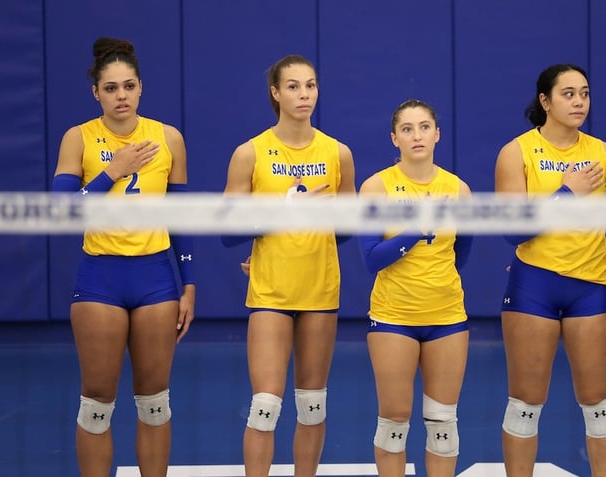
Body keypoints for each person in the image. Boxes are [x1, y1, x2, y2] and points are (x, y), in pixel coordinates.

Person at [51, 37, 196, 477]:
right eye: (110, 88)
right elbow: (61, 211)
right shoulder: (78, 138)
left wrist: (188, 283)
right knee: (97, 402)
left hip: (156, 278)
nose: (121, 96)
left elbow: (181, 216)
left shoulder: (168, 137)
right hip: (100, 278)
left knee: (155, 401)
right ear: (96, 92)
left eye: (128, 86)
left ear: (140, 88)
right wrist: (113, 170)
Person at [221, 54, 356, 477]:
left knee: (312, 404)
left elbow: (348, 228)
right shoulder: (250, 153)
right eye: (294, 86)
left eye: (310, 85)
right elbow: (226, 229)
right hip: (271, 292)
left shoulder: (338, 153)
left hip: (319, 290)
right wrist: (284, 211)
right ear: (276, 93)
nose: (304, 94)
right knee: (265, 405)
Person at [493, 64, 606, 477]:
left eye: (584, 93)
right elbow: (513, 230)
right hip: (533, 285)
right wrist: (567, 193)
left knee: (600, 404)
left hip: (592, 287)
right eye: (568, 94)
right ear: (545, 101)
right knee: (524, 405)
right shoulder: (516, 152)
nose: (579, 102)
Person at [357, 99, 473, 477]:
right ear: (395, 138)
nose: (417, 135)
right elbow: (371, 258)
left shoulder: (458, 190)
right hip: (393, 318)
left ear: (437, 134)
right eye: (407, 129)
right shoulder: (376, 187)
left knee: (443, 423)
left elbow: (461, 252)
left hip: (447, 318)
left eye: (424, 127)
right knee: (394, 422)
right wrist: (416, 231)